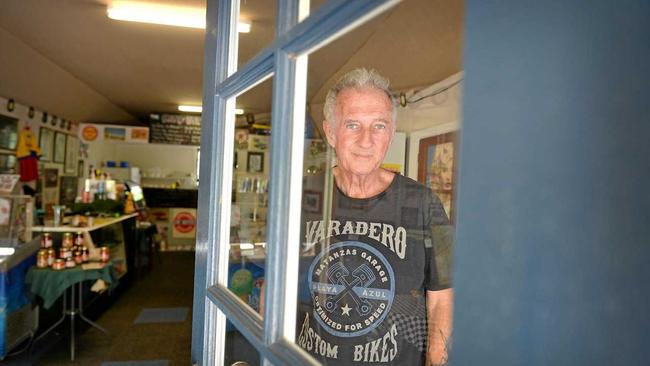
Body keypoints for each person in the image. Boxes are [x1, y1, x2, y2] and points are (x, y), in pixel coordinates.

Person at [293, 68, 454, 365]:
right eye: (352, 124)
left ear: (391, 133)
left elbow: (443, 297)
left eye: (378, 126)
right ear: (330, 132)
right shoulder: (296, 197)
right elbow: (274, 287)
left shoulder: (427, 204)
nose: (366, 140)